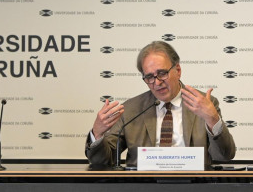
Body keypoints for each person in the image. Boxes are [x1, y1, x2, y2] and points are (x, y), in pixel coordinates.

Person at [85, 41, 236, 167]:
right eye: (149, 77)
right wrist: (97, 134)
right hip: (143, 189)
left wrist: (213, 120)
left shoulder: (204, 104)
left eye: (162, 73)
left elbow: (224, 156)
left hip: (193, 188)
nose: (157, 82)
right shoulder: (132, 109)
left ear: (177, 70)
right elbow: (103, 160)